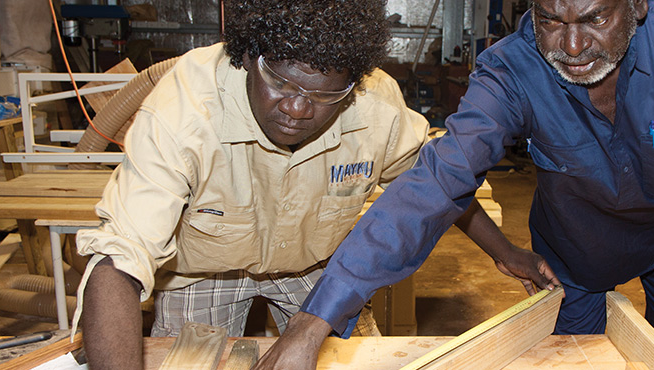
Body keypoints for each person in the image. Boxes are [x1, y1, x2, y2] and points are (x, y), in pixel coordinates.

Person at [262, 0, 654, 369]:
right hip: (573, 258)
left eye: (594, 19)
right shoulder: (510, 71)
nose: (572, 47)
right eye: (551, 21)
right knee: (568, 361)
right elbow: (436, 183)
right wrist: (316, 319)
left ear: (636, 5)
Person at [74, 1, 558, 369]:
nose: (299, 108)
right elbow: (119, 259)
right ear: (249, 57)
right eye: (282, 84)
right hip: (204, 268)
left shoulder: (375, 107)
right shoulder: (183, 110)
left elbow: (435, 186)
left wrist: (504, 250)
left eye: (326, 94)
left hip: (314, 265)